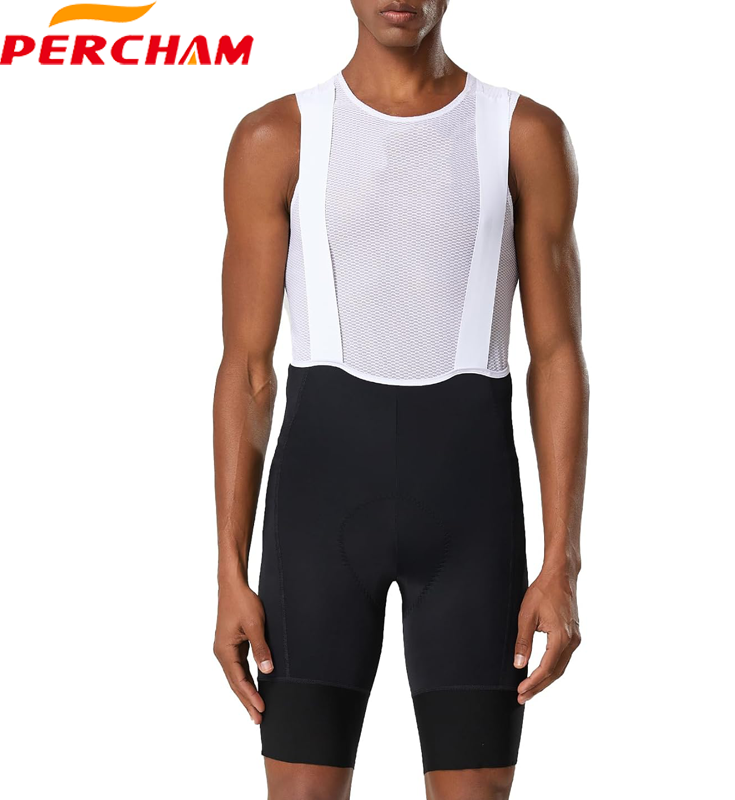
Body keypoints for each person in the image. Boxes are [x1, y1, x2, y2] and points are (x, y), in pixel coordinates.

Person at [213, 1, 588, 797]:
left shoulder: (523, 135)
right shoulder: (275, 138)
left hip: (472, 525)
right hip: (317, 523)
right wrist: (228, 572)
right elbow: (246, 368)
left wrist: (562, 561)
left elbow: (556, 355)